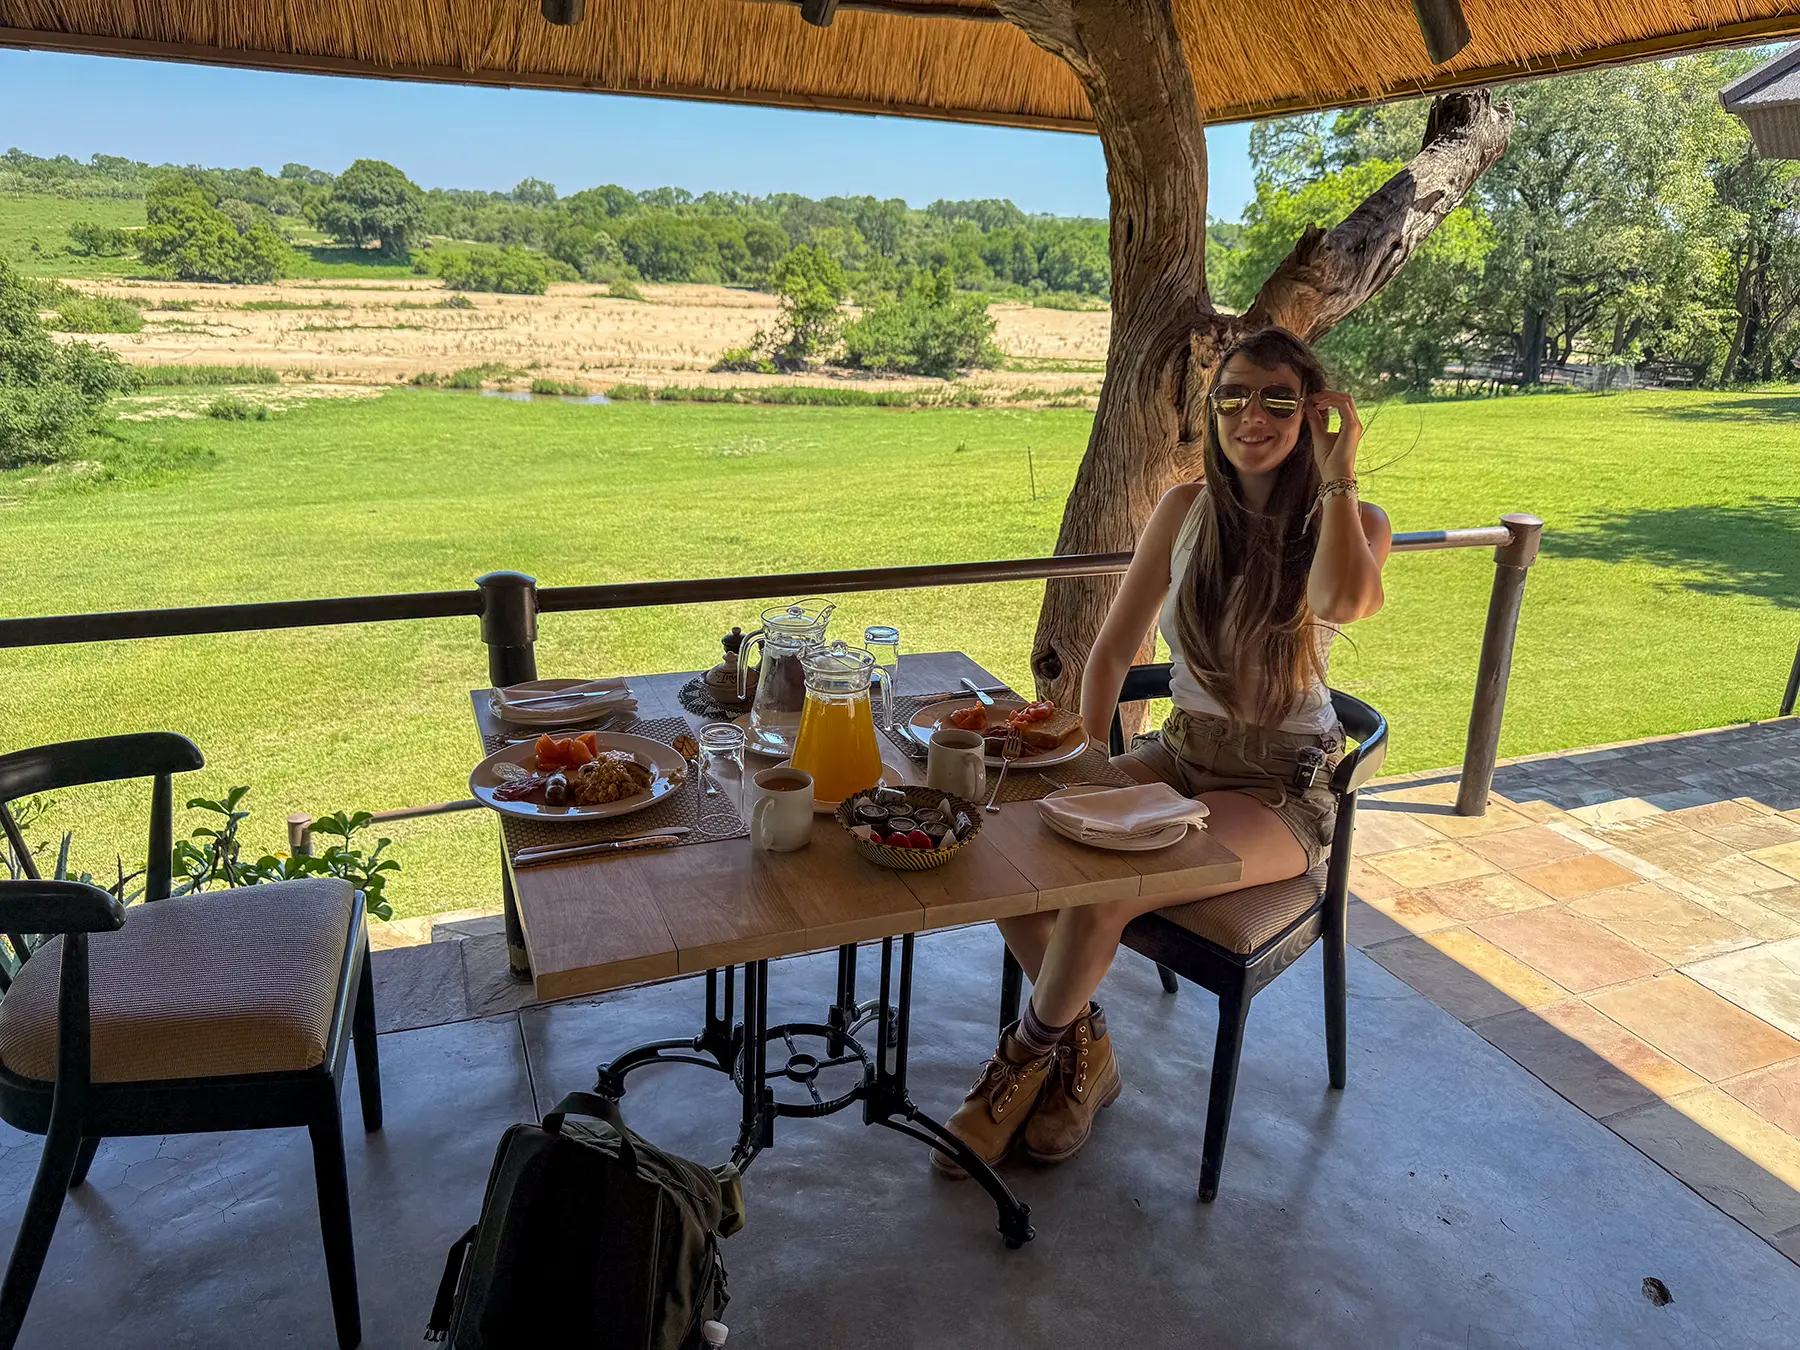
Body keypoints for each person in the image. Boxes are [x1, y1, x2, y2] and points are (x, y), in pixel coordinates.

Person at [936, 327, 1392, 1176]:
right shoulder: (1185, 512)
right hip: (1179, 754)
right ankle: (1085, 1049)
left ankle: (1023, 1060)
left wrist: (1339, 470)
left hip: (1278, 788)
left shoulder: (1354, 519)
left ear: (1315, 410)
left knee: (1109, 880)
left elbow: (1344, 597)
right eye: (1232, 397)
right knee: (1000, 850)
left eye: (1277, 399)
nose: (1250, 415)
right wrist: (1089, 766)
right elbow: (1111, 653)